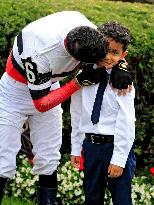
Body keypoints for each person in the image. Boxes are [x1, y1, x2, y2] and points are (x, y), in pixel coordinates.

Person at [0, 10, 132, 205]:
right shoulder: (39, 54)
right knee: (3, 157)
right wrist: (76, 83)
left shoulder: (84, 25)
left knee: (49, 155)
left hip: (50, 82)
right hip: (15, 91)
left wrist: (121, 67)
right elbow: (41, 104)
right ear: (73, 58)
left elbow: (112, 51)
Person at [71, 21, 136, 205]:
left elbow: (127, 121)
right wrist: (76, 147)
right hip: (91, 147)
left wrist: (119, 158)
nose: (107, 56)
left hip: (115, 146)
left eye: (115, 53)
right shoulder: (83, 75)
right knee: (91, 197)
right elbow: (76, 112)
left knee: (122, 200)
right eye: (104, 49)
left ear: (123, 55)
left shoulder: (123, 83)